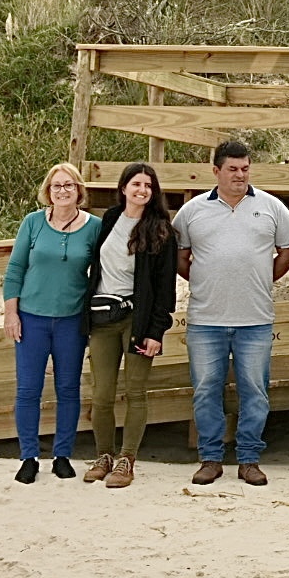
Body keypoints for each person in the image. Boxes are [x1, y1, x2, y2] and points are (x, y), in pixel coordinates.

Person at [173, 140, 289, 487]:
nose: (240, 174)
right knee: (205, 389)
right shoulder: (192, 211)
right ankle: (210, 458)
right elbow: (181, 258)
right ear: (216, 171)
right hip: (205, 320)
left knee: (255, 391)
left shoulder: (272, 208)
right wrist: (204, 278)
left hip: (255, 319)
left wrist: (262, 277)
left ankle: (249, 459)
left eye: (245, 168)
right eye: (232, 169)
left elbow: (288, 251)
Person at [3, 162, 102, 483]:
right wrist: (11, 313)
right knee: (28, 390)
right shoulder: (32, 223)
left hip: (72, 321)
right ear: (48, 191)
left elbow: (105, 270)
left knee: (68, 389)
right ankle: (29, 456)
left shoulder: (94, 227)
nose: (62, 191)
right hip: (31, 319)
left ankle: (62, 455)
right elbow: (15, 269)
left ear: (79, 191)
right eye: (57, 186)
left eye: (69, 185)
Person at [81, 162, 178, 489]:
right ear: (124, 188)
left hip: (137, 321)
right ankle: (104, 455)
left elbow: (165, 287)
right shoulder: (109, 219)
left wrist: (157, 332)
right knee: (102, 393)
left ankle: (127, 459)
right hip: (102, 318)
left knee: (136, 392)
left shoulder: (161, 229)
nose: (142, 190)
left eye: (148, 186)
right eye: (136, 184)